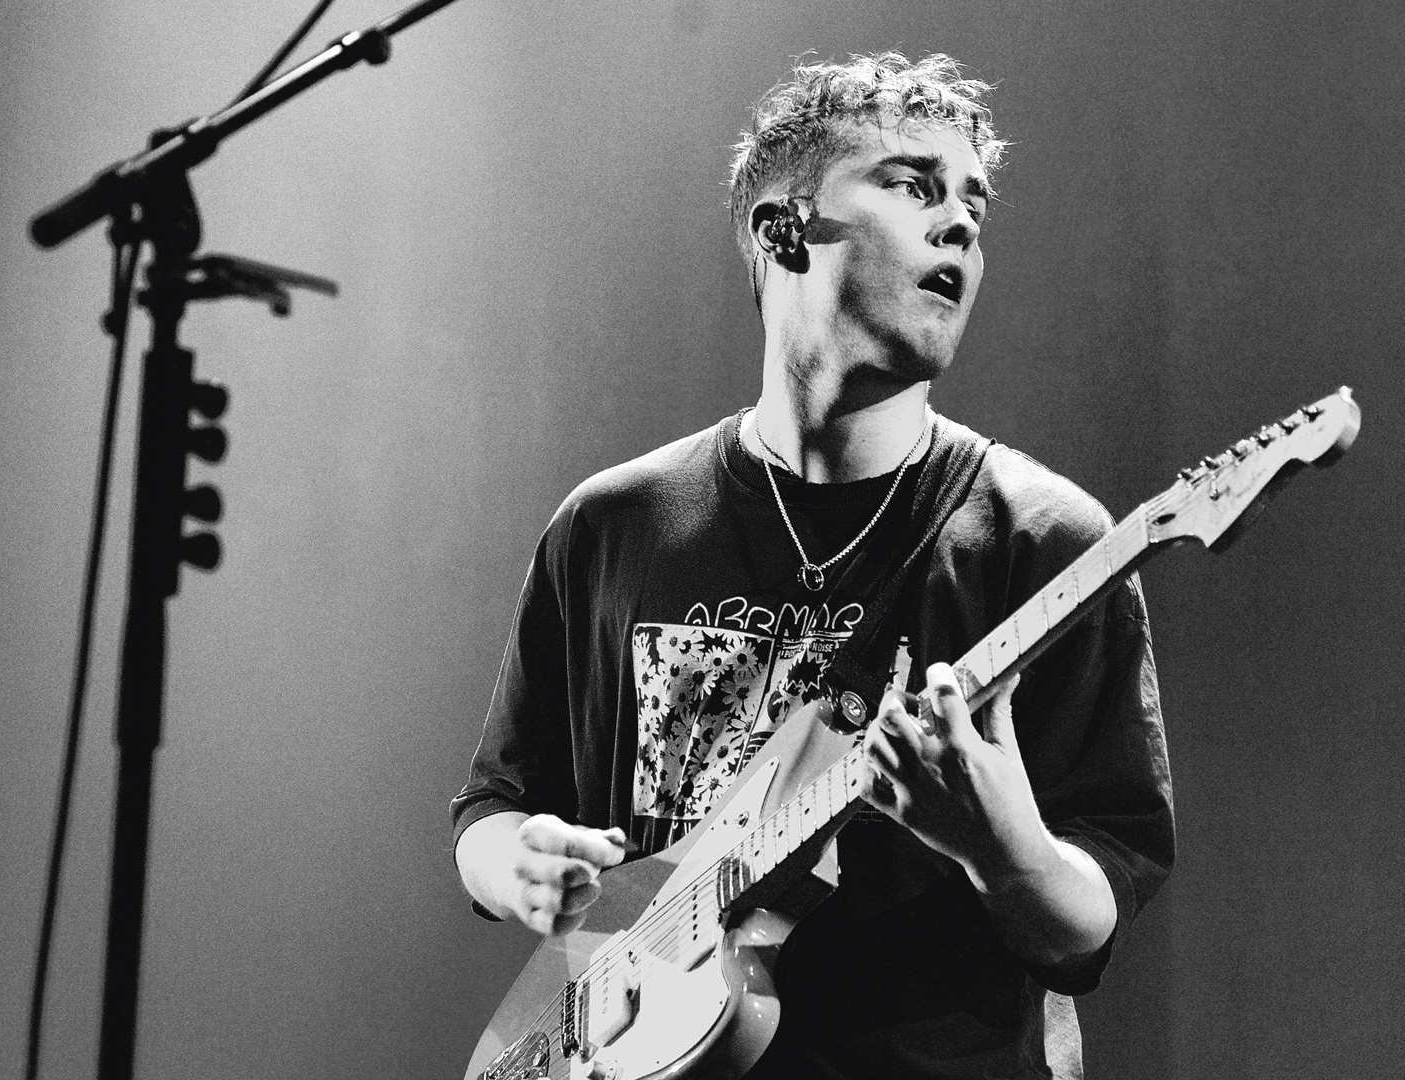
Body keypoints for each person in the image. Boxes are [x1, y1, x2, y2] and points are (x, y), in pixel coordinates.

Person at [451, 52, 1173, 1079]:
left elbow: (1090, 915)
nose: (961, 222)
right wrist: (514, 866)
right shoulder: (613, 525)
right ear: (781, 228)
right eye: (913, 185)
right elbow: (495, 802)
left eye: (974, 200)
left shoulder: (1042, 539)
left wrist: (1002, 846)